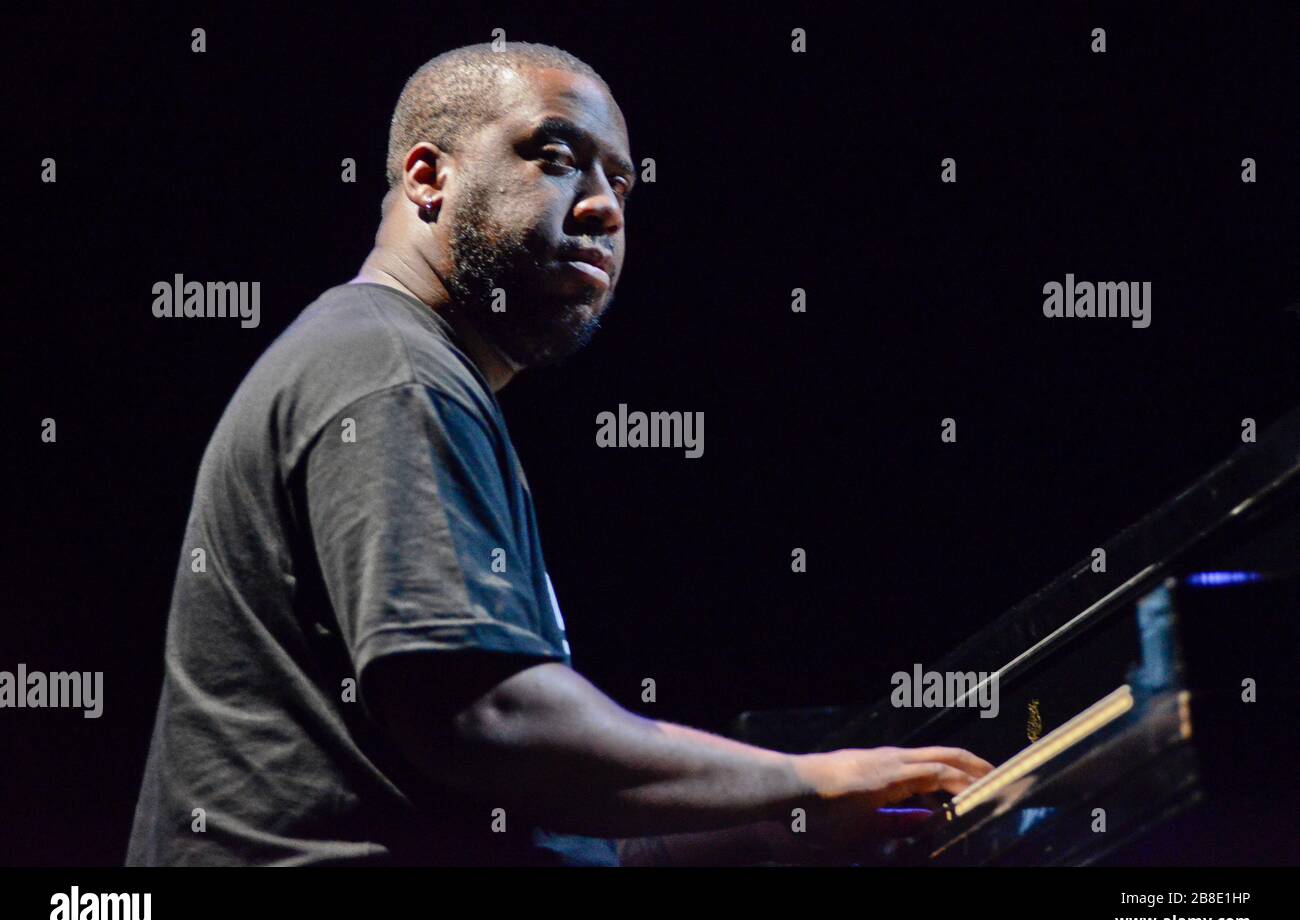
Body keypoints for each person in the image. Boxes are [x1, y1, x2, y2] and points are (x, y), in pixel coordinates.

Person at [126, 41, 992, 866]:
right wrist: (800, 780)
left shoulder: (403, 367)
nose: (606, 206)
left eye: (620, 180)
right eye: (555, 155)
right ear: (429, 176)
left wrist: (777, 831)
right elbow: (492, 719)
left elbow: (530, 815)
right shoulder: (389, 368)